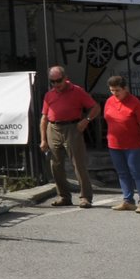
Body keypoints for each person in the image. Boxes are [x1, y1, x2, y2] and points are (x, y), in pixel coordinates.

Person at [39, 65, 100, 208]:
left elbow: (95, 107)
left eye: (58, 81)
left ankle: (85, 197)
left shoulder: (77, 91)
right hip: (53, 128)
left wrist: (86, 120)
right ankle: (63, 196)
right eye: (52, 82)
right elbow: (44, 118)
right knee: (55, 165)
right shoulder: (49, 95)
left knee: (78, 164)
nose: (56, 85)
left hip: (72, 128)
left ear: (65, 78)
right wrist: (43, 139)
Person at [102, 75, 140, 213]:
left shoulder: (136, 103)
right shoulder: (109, 101)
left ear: (126, 88)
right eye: (112, 90)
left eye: (117, 90)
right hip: (114, 144)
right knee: (122, 173)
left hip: (134, 145)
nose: (115, 93)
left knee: (138, 173)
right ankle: (128, 200)